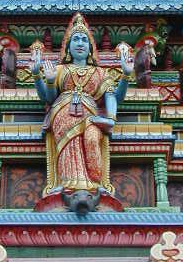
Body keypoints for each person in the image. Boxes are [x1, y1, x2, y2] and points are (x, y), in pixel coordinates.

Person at [30, 13, 133, 192]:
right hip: (62, 114)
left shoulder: (100, 73)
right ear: (68, 48)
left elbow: (113, 97)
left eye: (84, 40)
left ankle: (95, 182)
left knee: (92, 139)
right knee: (69, 148)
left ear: (90, 48)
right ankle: (66, 183)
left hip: (90, 116)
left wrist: (126, 75)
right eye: (76, 39)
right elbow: (48, 98)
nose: (80, 43)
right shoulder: (60, 69)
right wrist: (40, 77)